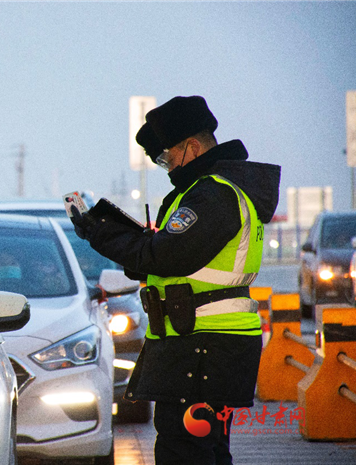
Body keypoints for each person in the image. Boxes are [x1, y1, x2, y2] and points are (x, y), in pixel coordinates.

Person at [71, 96, 281, 464]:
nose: (166, 167)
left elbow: (166, 256)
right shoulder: (210, 190)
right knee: (206, 449)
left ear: (193, 147)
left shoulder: (213, 195)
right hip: (207, 344)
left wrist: (101, 233)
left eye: (166, 157)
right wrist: (133, 244)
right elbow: (174, 261)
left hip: (204, 346)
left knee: (183, 451)